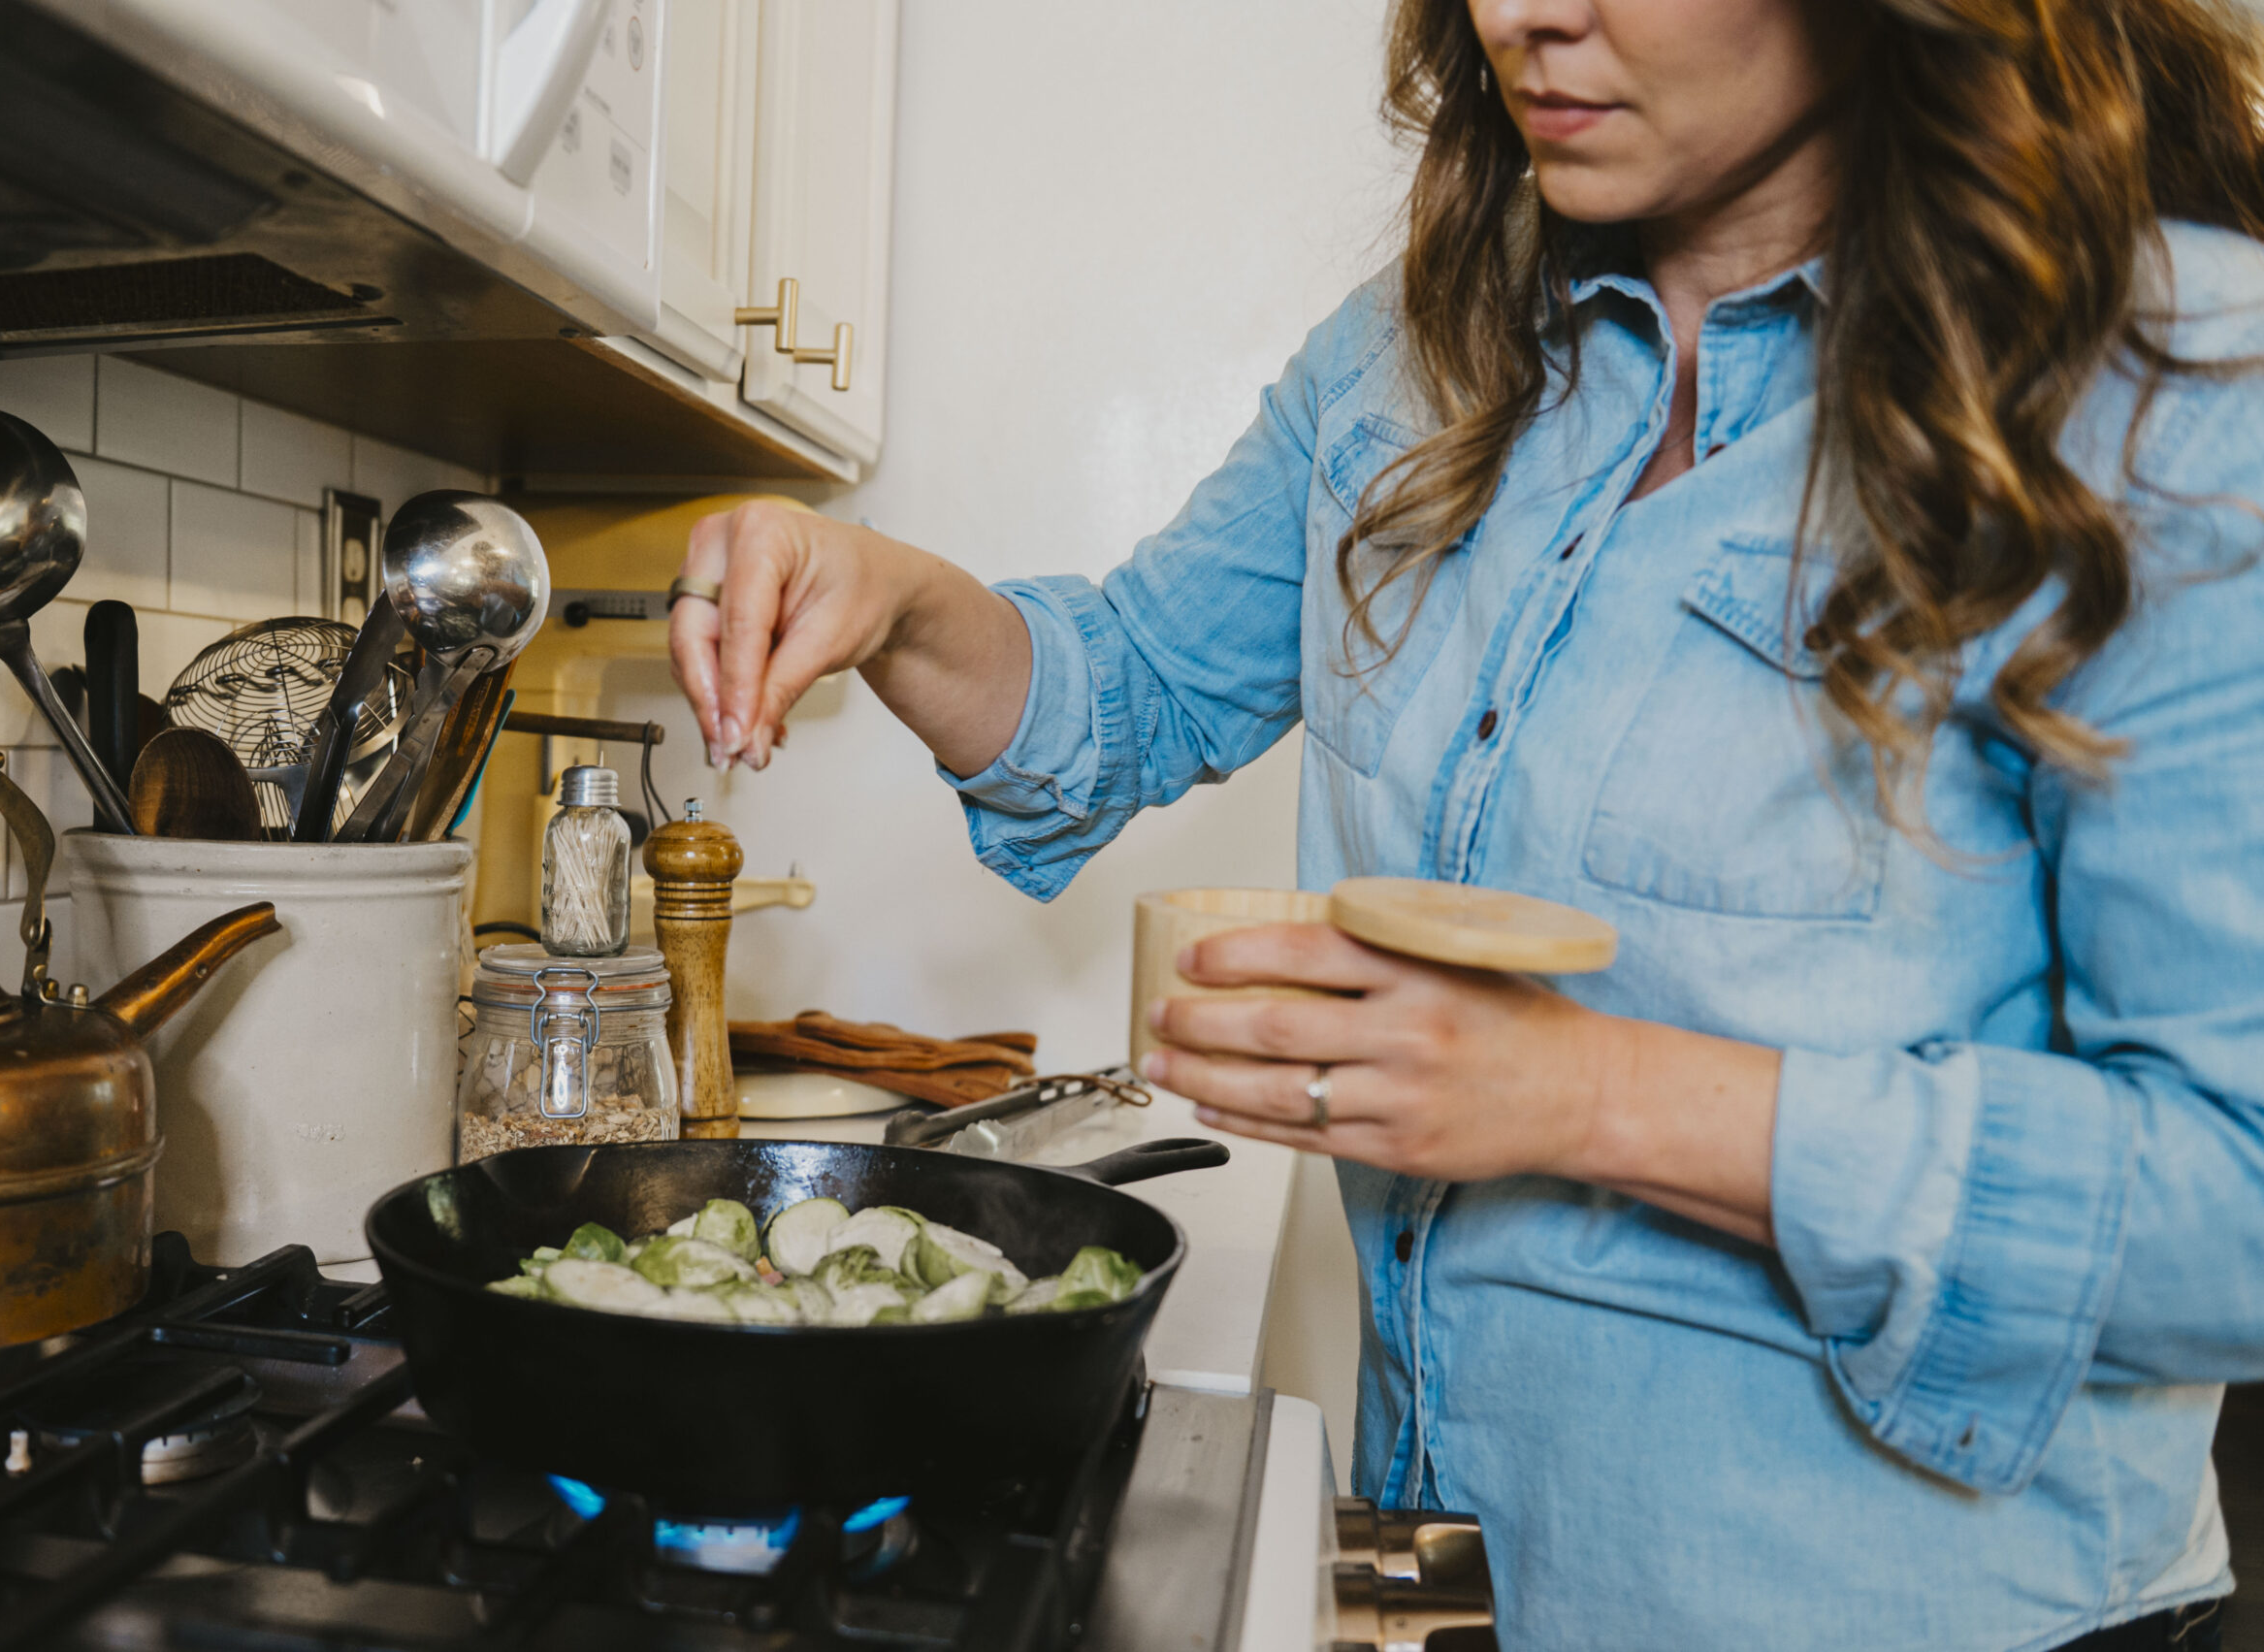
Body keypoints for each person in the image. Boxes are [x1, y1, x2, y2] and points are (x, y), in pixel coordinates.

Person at [666, 2, 2264, 1646]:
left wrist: (1581, 1094)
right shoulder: (1415, 348)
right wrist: (893, 598)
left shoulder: (2179, 394)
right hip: (1466, 1588)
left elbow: (2242, 1202)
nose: (1523, 13)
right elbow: (1133, 684)